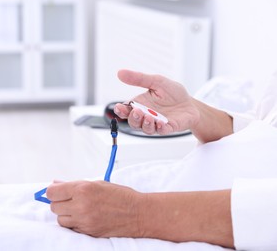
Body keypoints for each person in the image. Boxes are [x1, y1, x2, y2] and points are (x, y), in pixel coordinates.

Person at [46, 69, 277, 250]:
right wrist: (195, 111)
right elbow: (263, 134)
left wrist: (135, 214)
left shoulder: (137, 213)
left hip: (177, 221)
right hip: (170, 197)